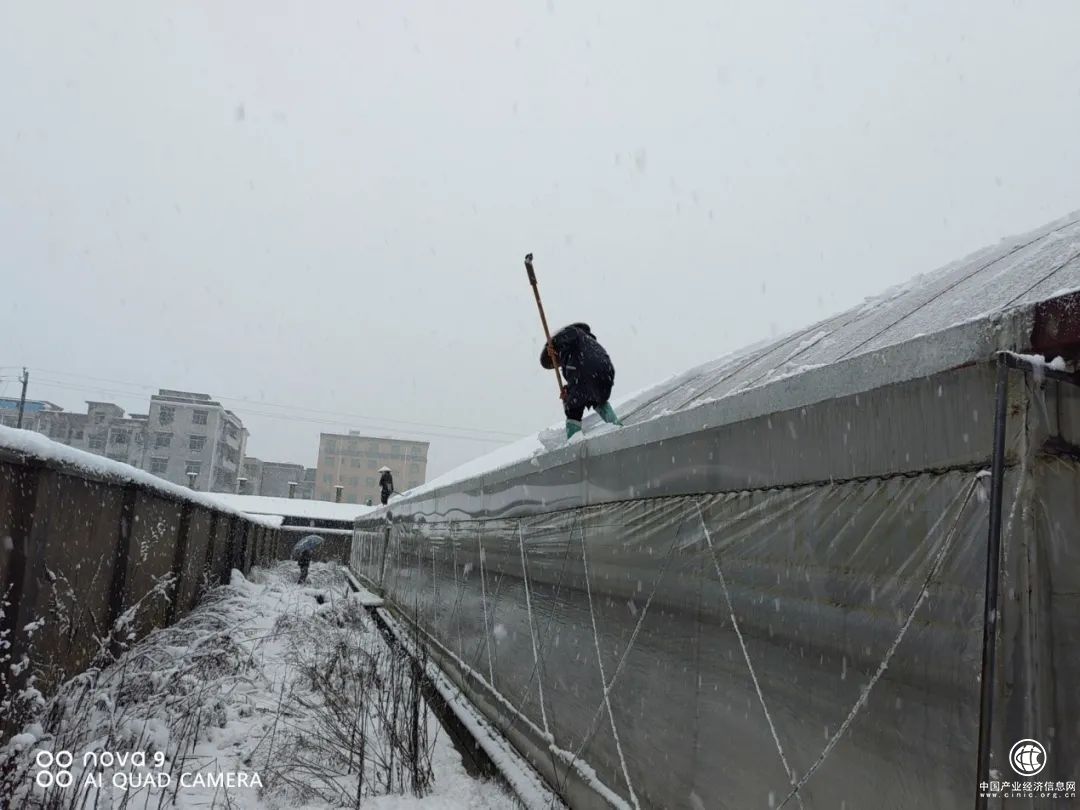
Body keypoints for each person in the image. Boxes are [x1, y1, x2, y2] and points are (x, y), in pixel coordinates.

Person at [540, 323, 622, 439]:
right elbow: (582, 387)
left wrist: (554, 343)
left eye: (555, 364)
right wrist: (569, 391)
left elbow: (570, 334)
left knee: (572, 409)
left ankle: (573, 440)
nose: (558, 366)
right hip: (605, 372)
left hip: (584, 372)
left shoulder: (571, 334)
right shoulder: (586, 343)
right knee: (596, 398)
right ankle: (616, 425)